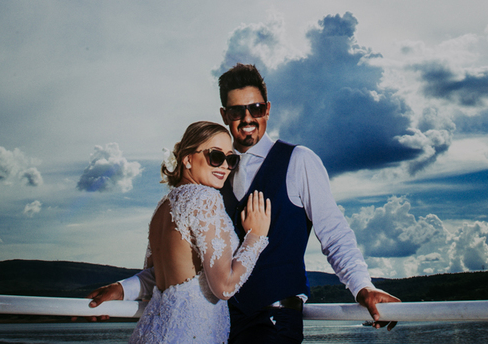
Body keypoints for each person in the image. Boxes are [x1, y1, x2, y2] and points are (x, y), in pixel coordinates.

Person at [89, 65, 400, 343]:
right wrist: (123, 289)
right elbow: (185, 265)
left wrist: (363, 287)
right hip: (219, 325)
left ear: (267, 109)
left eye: (256, 108)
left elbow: (334, 234)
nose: (248, 118)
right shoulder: (211, 178)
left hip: (273, 323)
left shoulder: (299, 160)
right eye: (238, 111)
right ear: (225, 115)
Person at [122, 120, 272, 344]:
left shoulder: (163, 207)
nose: (225, 166)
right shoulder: (204, 198)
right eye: (216, 156)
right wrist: (255, 236)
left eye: (231, 159)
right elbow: (224, 287)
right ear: (187, 159)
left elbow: (156, 275)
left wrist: (121, 289)